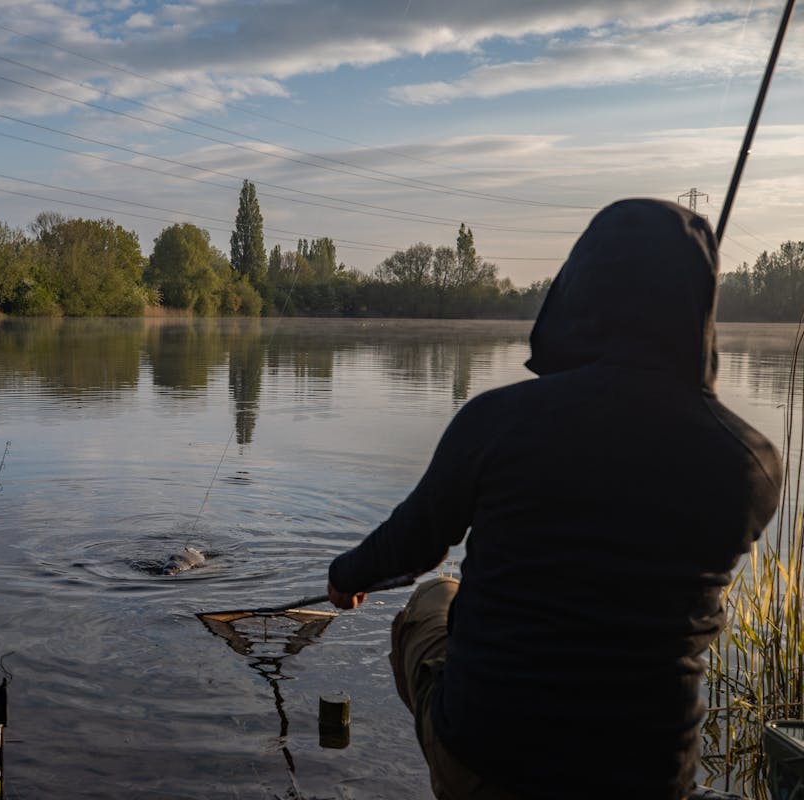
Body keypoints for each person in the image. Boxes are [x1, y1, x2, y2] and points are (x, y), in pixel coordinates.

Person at [327, 199, 783, 800]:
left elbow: (412, 544)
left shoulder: (498, 420)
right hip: (649, 777)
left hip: (492, 759)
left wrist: (346, 575)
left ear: (580, 290)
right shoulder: (751, 463)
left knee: (434, 592)